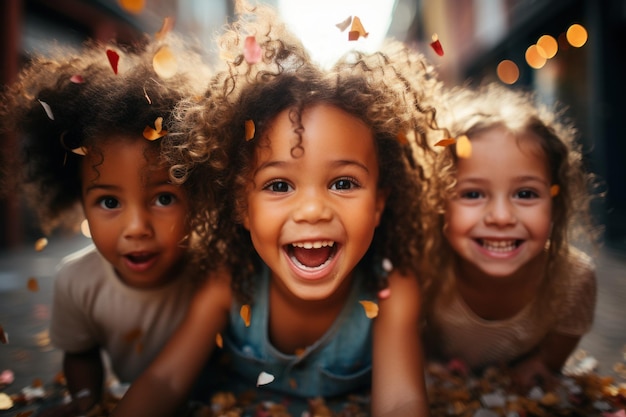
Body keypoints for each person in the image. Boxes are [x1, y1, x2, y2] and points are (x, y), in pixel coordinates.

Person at [111, 3, 443, 417]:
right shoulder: (228, 283)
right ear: (241, 206)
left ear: (378, 203)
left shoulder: (392, 291)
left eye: (343, 183)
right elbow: (165, 379)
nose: (311, 210)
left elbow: (401, 402)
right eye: (279, 185)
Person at [0, 33, 213, 416]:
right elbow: (81, 355)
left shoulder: (212, 268)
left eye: (164, 198)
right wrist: (86, 401)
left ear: (196, 192)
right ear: (79, 198)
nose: (136, 227)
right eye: (109, 202)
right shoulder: (77, 281)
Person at [422, 82, 600, 393]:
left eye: (525, 193)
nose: (502, 217)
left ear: (555, 204)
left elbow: (546, 364)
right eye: (473, 194)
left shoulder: (573, 281)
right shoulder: (421, 267)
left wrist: (540, 366)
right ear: (438, 203)